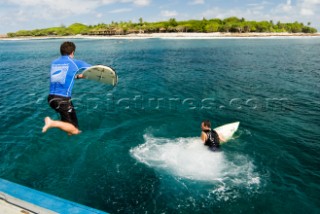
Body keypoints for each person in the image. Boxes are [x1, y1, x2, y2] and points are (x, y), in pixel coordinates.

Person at [42, 41, 91, 135]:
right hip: (62, 100)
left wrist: (77, 76)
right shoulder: (75, 62)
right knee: (75, 131)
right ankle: (52, 123)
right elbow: (95, 69)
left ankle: (67, 128)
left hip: (52, 98)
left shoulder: (54, 62)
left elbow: (62, 76)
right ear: (72, 52)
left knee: (75, 127)